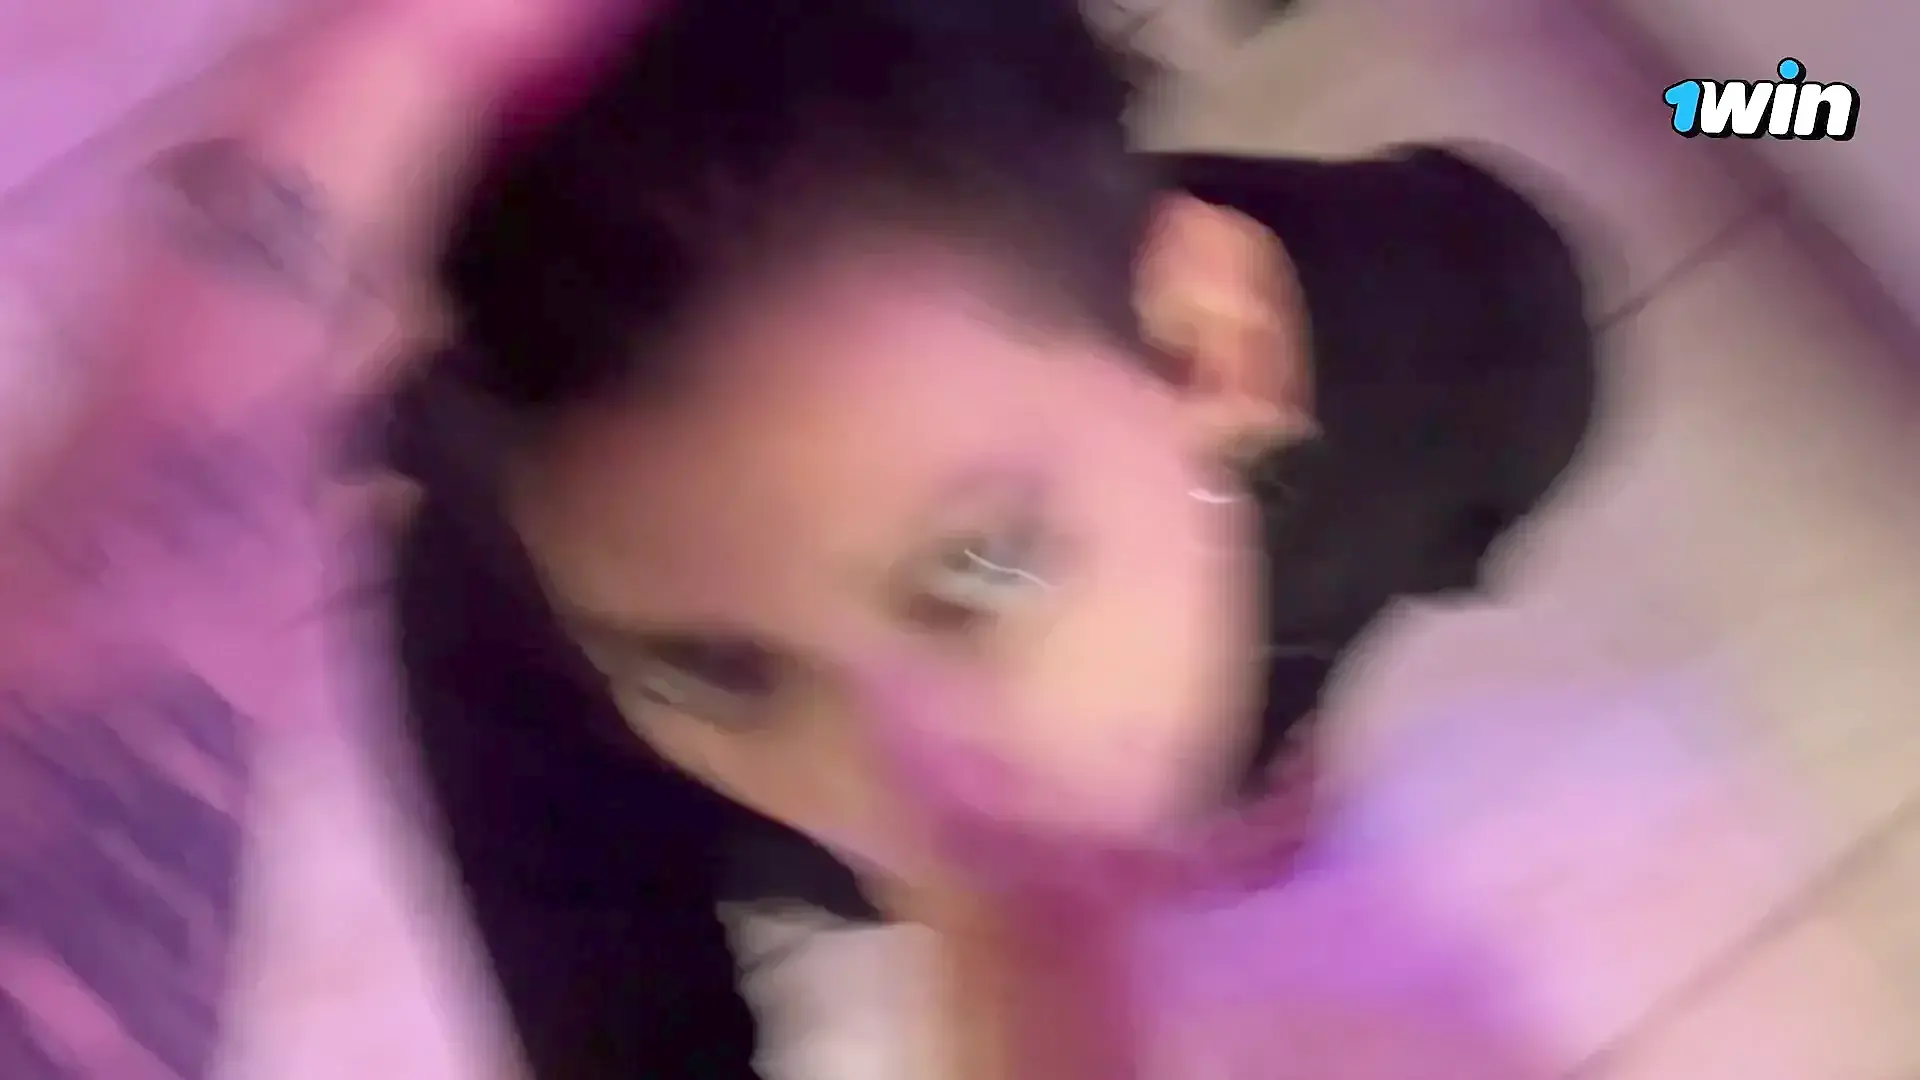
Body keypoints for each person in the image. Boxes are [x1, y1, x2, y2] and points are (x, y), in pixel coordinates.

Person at [380, 0, 1599, 1077]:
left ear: (1202, 347)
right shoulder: (494, 645)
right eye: (719, 675)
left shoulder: (1464, 347)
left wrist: (1258, 741)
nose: (904, 825)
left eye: (986, 569)